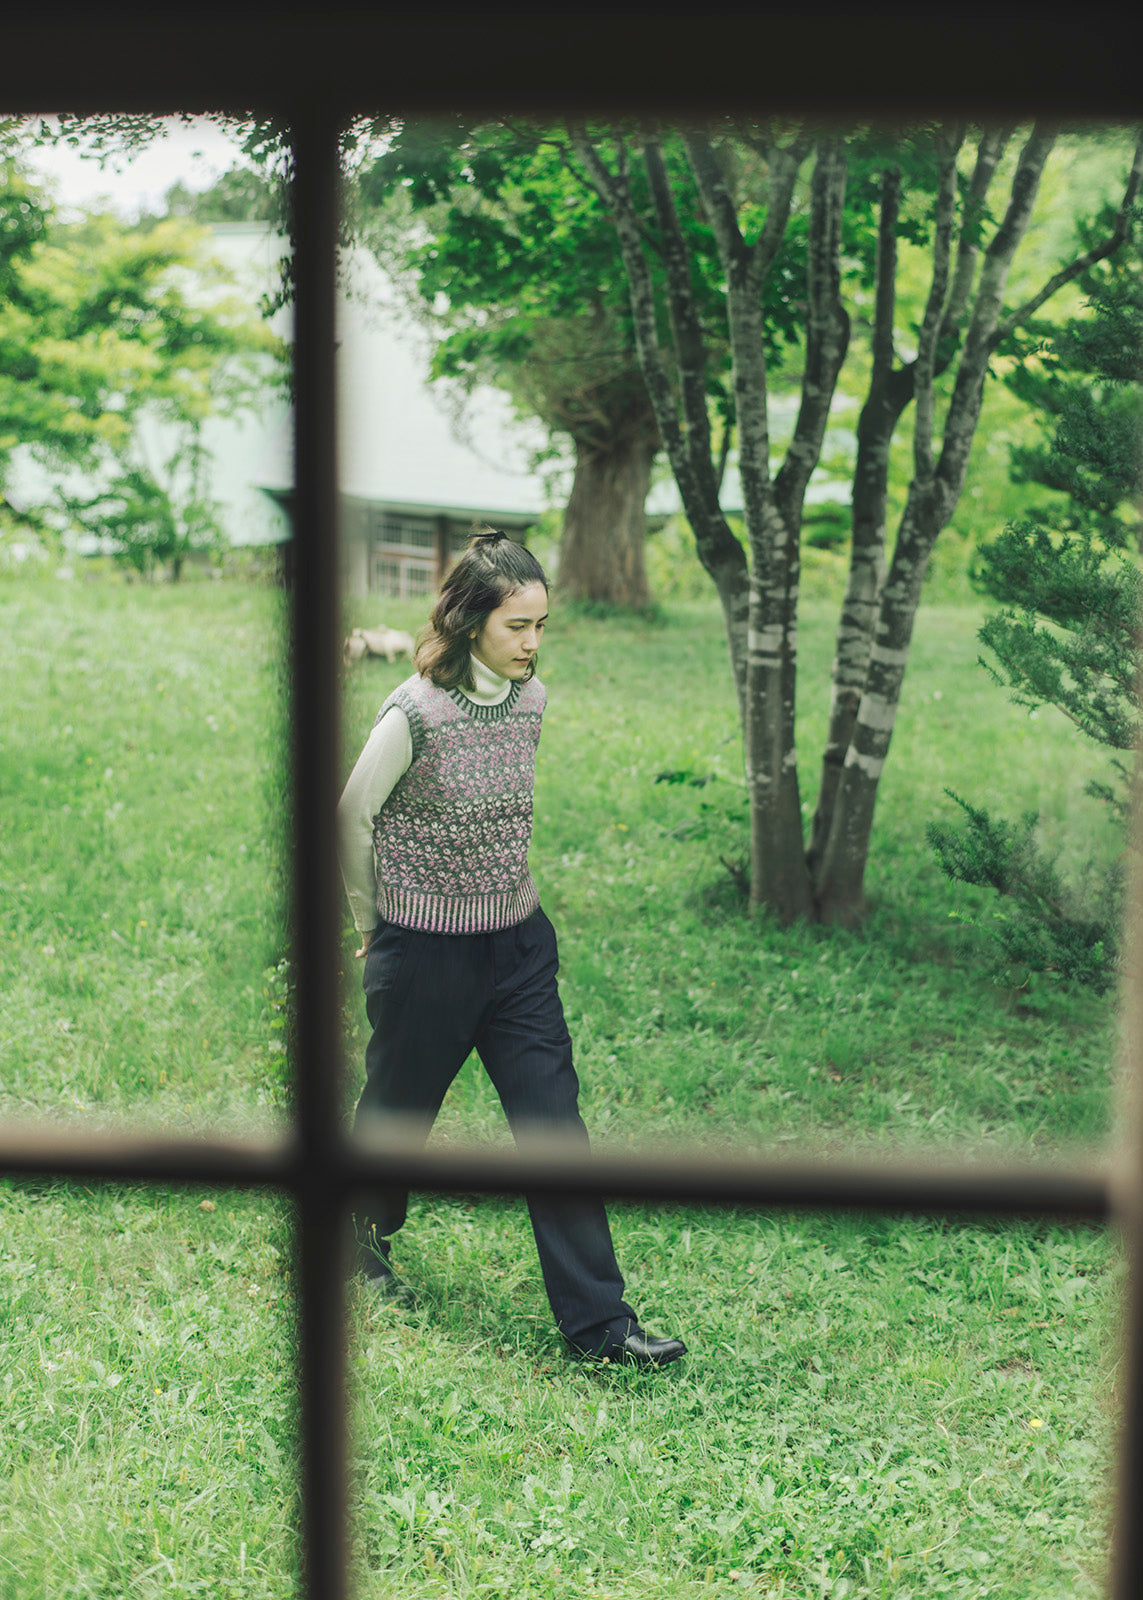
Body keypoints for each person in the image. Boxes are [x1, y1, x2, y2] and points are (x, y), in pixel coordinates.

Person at [337, 529, 686, 1369]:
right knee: (397, 1113)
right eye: (516, 627)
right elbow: (350, 815)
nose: (532, 643)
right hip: (424, 952)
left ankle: (601, 1326)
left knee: (553, 1124)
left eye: (540, 626)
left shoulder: (531, 702)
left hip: (518, 949)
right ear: (468, 623)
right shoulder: (413, 713)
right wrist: (370, 925)